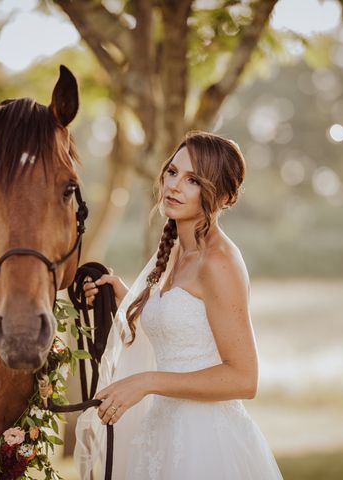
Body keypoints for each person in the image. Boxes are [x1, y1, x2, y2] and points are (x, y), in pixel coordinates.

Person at [74, 131, 283, 479]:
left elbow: (244, 379)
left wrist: (147, 382)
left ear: (224, 196)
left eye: (193, 180)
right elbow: (180, 329)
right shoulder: (175, 252)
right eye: (172, 173)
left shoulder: (219, 262)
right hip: (161, 434)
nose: (174, 186)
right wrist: (119, 298)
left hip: (206, 445)